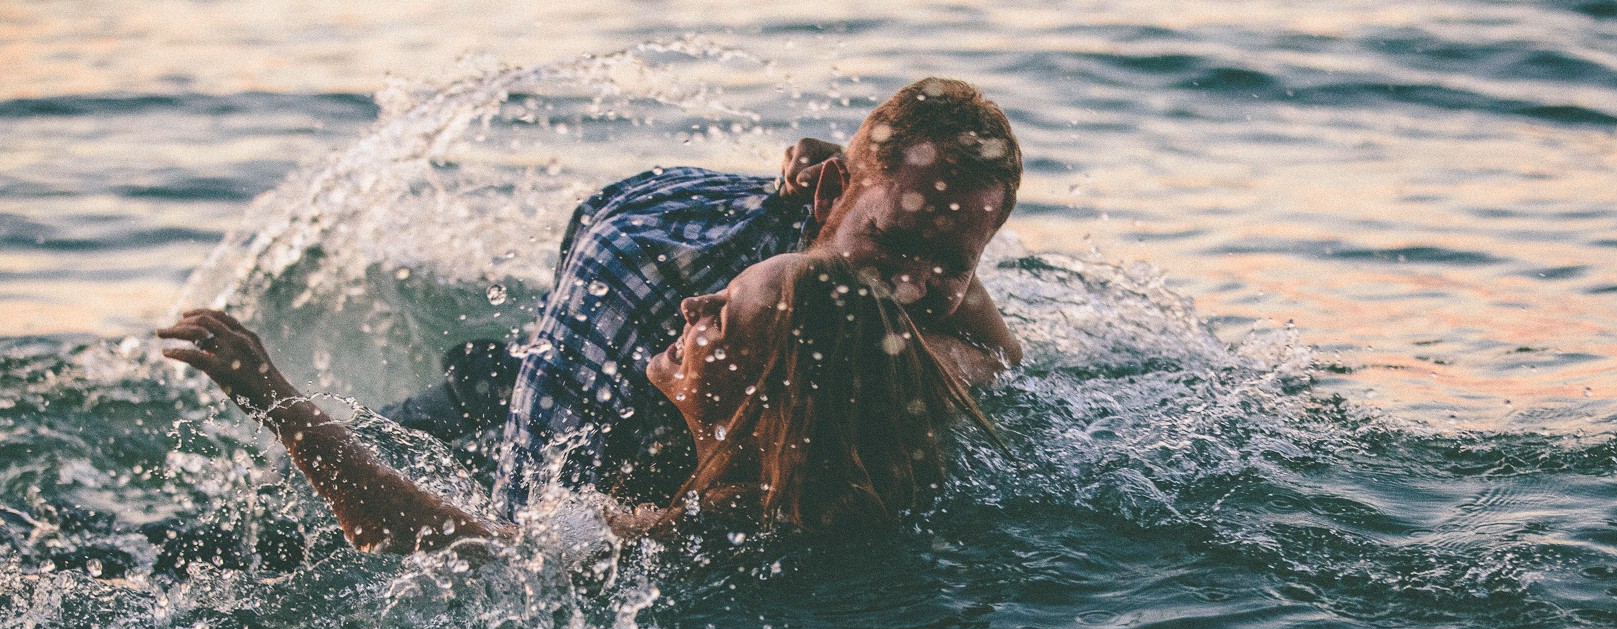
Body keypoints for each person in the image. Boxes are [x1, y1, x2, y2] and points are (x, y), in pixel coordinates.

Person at [432, 76, 1023, 515]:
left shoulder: (909, 247)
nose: (909, 287)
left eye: (951, 264)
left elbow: (1000, 357)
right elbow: (518, 521)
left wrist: (901, 367)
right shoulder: (644, 274)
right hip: (518, 399)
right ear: (829, 194)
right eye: (891, 241)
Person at [158, 251, 999, 553]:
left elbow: (437, 543)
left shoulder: (708, 532)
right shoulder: (845, 487)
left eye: (723, 315)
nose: (690, 308)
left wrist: (278, 402)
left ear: (765, 388)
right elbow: (988, 343)